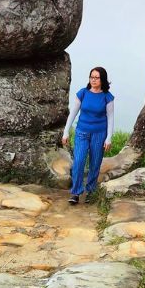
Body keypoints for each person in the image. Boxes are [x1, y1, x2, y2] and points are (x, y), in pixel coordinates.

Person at [61, 67, 114, 205]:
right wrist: (66, 131)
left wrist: (109, 137)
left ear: (102, 79)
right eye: (91, 77)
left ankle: (91, 190)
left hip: (99, 134)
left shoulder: (107, 97)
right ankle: (75, 192)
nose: (93, 80)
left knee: (95, 164)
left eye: (96, 77)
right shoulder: (83, 93)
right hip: (82, 132)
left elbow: (111, 118)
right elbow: (72, 113)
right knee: (79, 161)